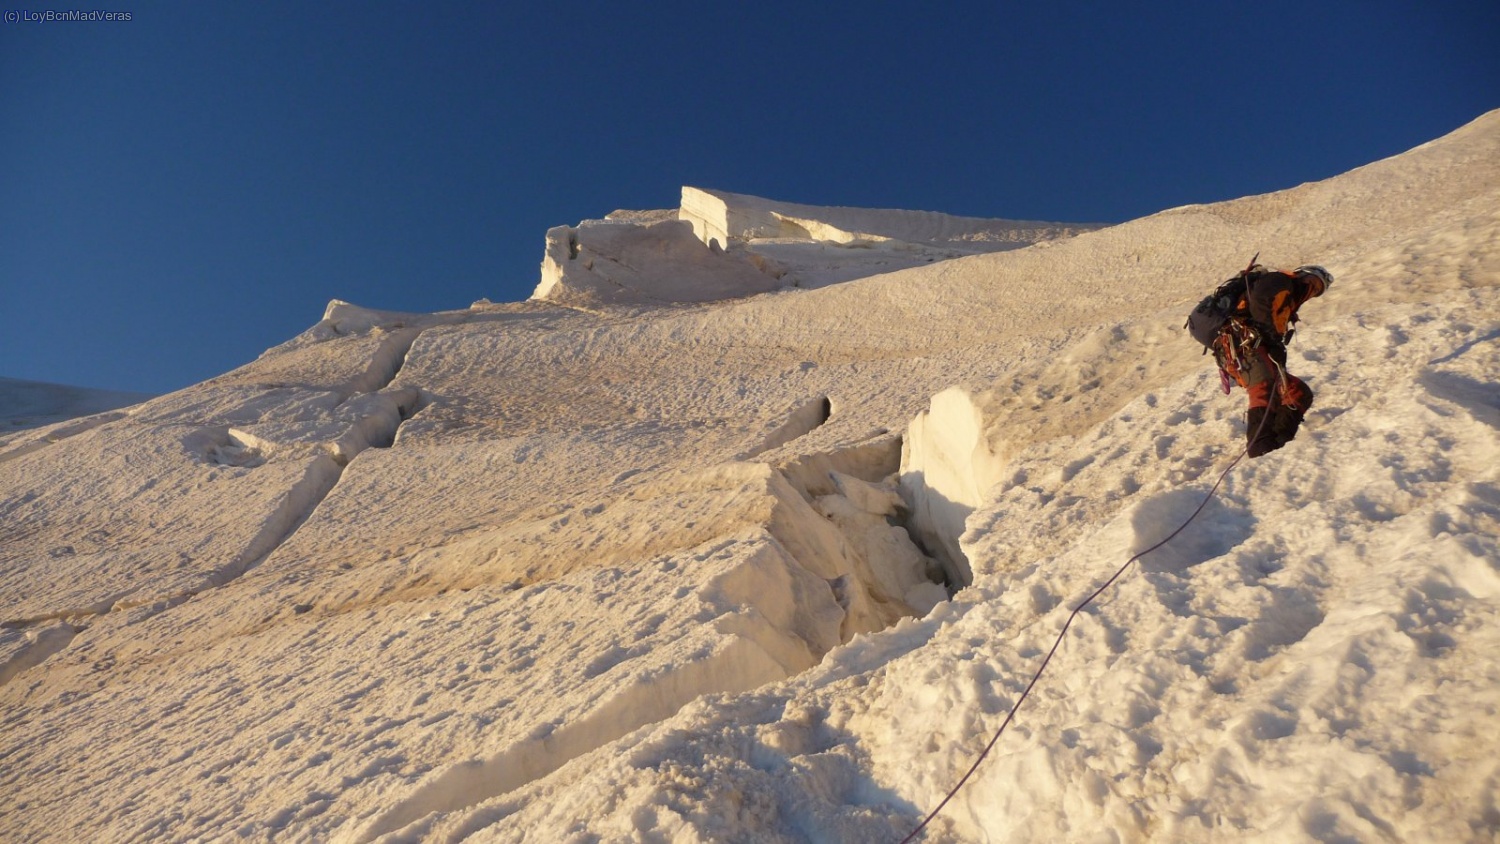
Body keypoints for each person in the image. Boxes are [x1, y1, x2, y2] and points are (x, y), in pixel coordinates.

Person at [1211, 263, 1332, 457]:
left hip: (1244, 348)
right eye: (1315, 283)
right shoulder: (1281, 281)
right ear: (1303, 275)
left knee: (1298, 393)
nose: (1314, 290)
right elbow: (1261, 302)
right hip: (1245, 346)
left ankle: (1278, 446)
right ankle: (1260, 451)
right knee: (1264, 392)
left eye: (1318, 290)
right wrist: (1273, 341)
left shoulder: (1288, 296)